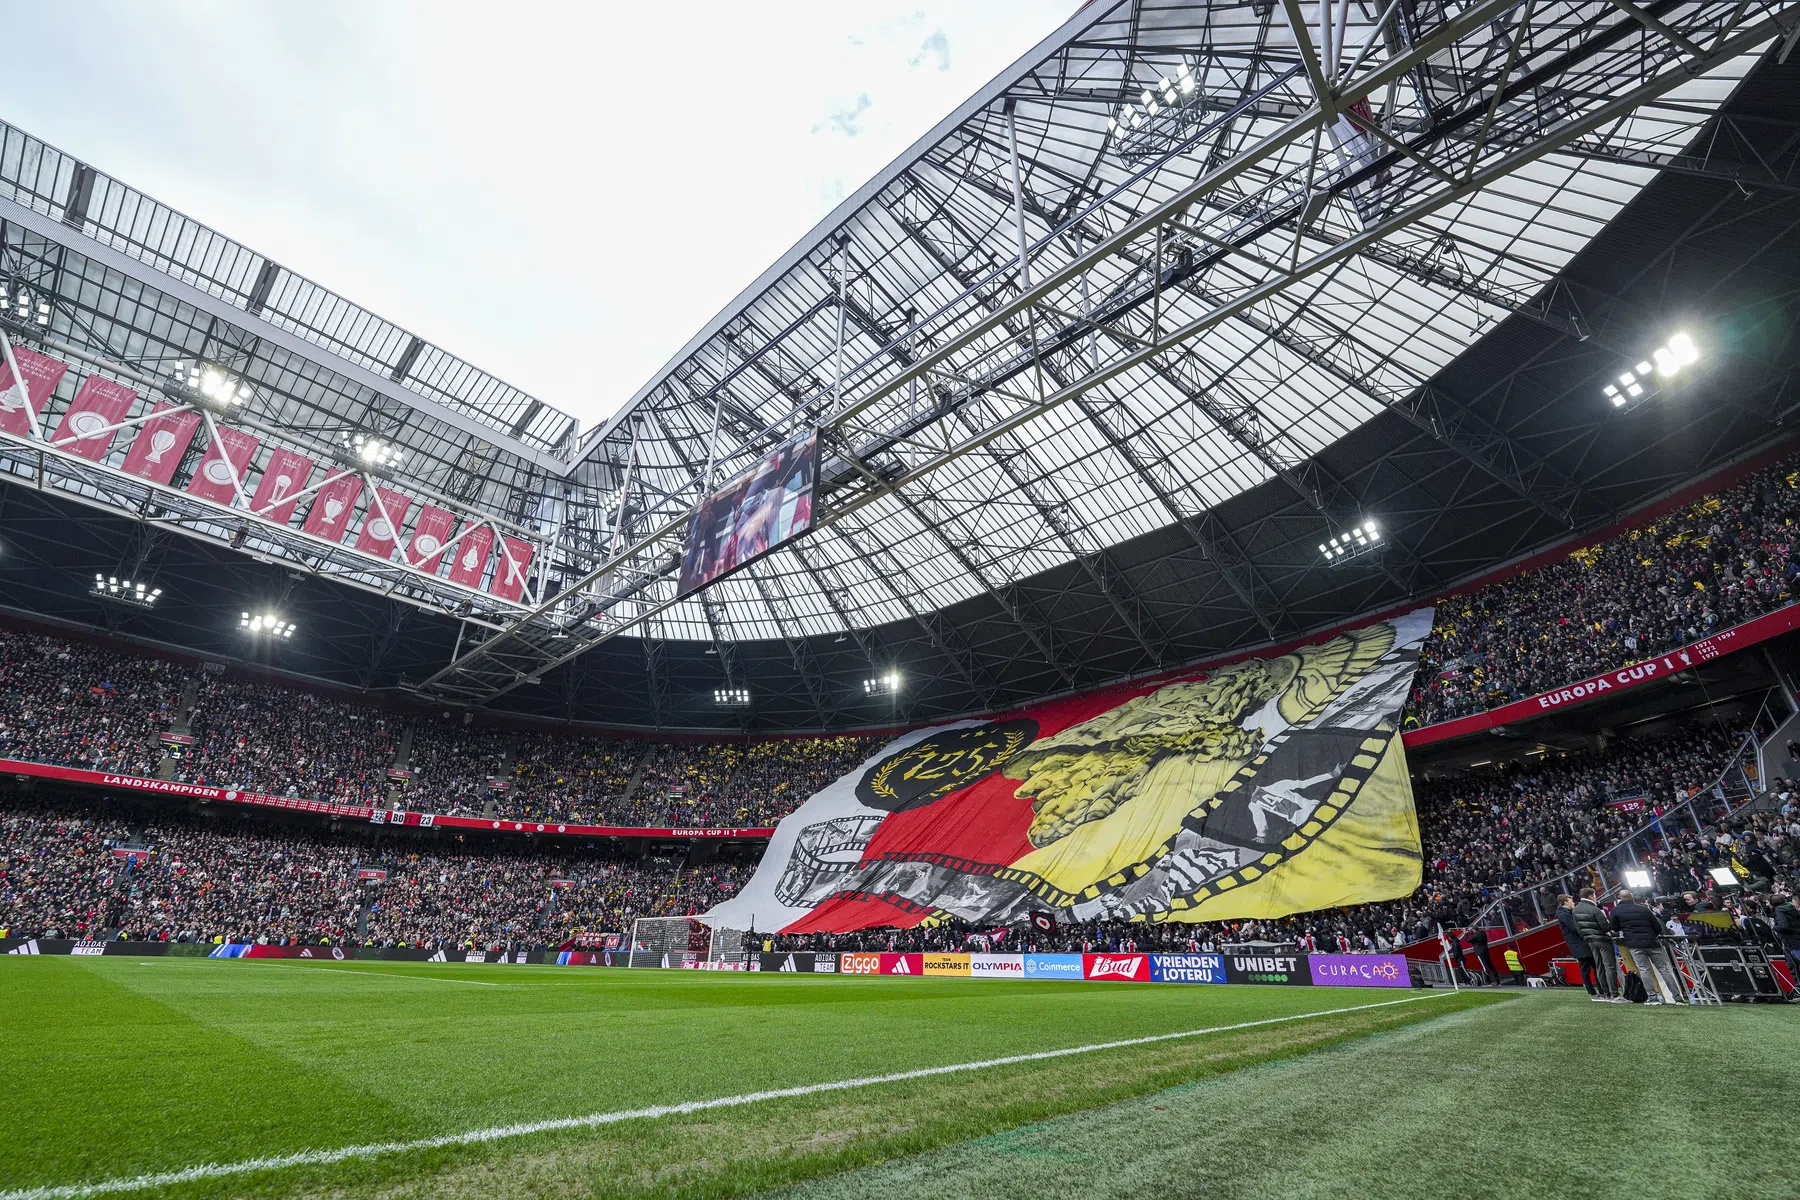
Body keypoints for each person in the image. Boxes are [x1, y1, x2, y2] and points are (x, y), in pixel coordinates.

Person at [1610, 889, 1684, 1005]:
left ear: (1620, 898)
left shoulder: (1616, 911)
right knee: (1664, 969)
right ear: (1632, 898)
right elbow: (1657, 926)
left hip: (1634, 944)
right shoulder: (1644, 909)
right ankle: (1677, 997)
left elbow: (1615, 927)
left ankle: (1652, 998)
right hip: (1652, 942)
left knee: (1644, 970)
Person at [1572, 890, 1619, 1000]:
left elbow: (1578, 928)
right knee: (1609, 966)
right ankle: (1614, 994)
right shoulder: (1595, 909)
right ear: (1590, 896)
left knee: (1599, 967)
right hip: (1602, 940)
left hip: (1590, 941)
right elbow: (1606, 927)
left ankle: (1606, 994)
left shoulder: (1575, 910)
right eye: (1594, 895)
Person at [1556, 894, 1602, 999]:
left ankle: (1599, 991)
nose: (1573, 903)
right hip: (1580, 945)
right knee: (1589, 968)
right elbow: (1575, 928)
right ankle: (1594, 993)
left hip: (1580, 945)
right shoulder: (1564, 915)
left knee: (1593, 967)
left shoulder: (1566, 913)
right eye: (1571, 901)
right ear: (1565, 902)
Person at [1773, 893, 1800, 983]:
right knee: (1792, 965)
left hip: (1793, 942)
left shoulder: (1779, 910)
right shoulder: (1790, 907)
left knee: (1794, 964)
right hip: (1793, 941)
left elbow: (1783, 926)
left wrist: (1774, 927)